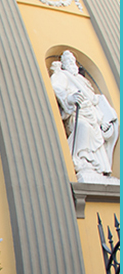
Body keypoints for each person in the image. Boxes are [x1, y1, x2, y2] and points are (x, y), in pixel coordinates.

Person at [50, 51, 119, 183]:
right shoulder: (63, 75)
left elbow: (94, 102)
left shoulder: (83, 81)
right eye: (68, 61)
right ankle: (81, 163)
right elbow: (56, 87)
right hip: (77, 114)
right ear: (64, 64)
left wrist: (101, 121)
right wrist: (70, 98)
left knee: (95, 136)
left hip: (92, 115)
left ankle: (96, 169)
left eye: (73, 61)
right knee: (83, 127)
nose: (72, 64)